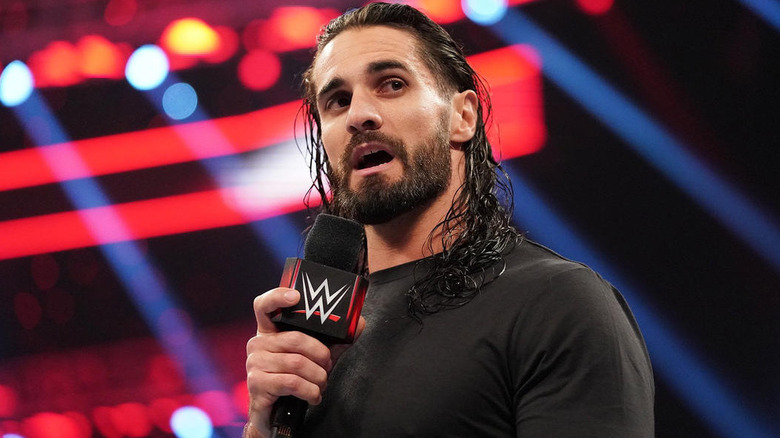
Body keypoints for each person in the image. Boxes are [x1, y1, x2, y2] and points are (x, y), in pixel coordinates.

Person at [244, 2, 654, 437]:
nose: (359, 115)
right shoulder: (314, 333)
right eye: (337, 101)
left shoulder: (557, 303)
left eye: (392, 84)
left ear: (463, 116)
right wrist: (262, 426)